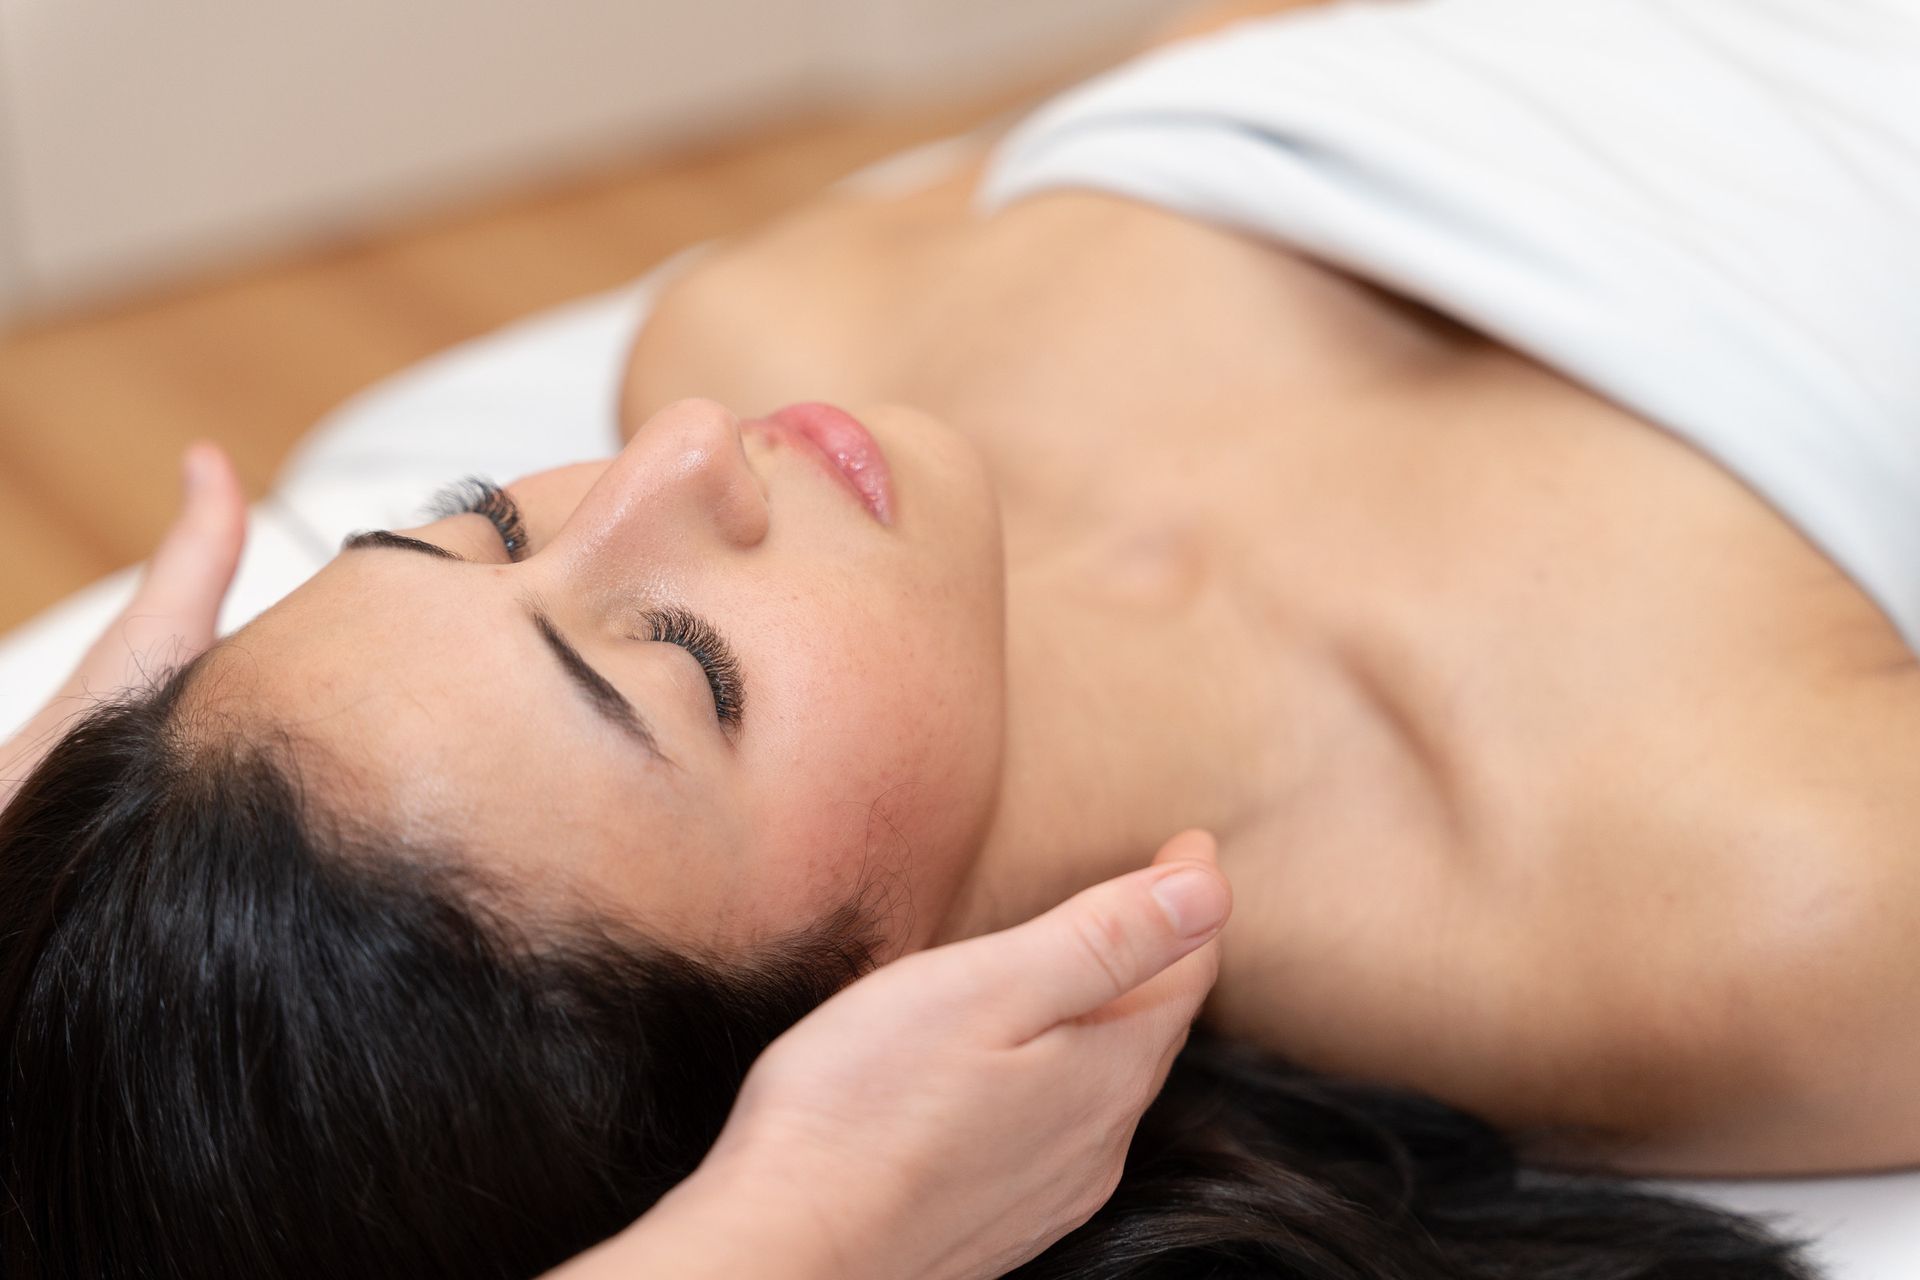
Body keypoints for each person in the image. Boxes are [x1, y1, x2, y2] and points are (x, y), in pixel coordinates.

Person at [3, 0, 1911, 1273]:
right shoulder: (1732, 899)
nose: (676, 464)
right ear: (862, 1033)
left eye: (484, 526)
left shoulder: (753, 323)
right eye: (685, 660)